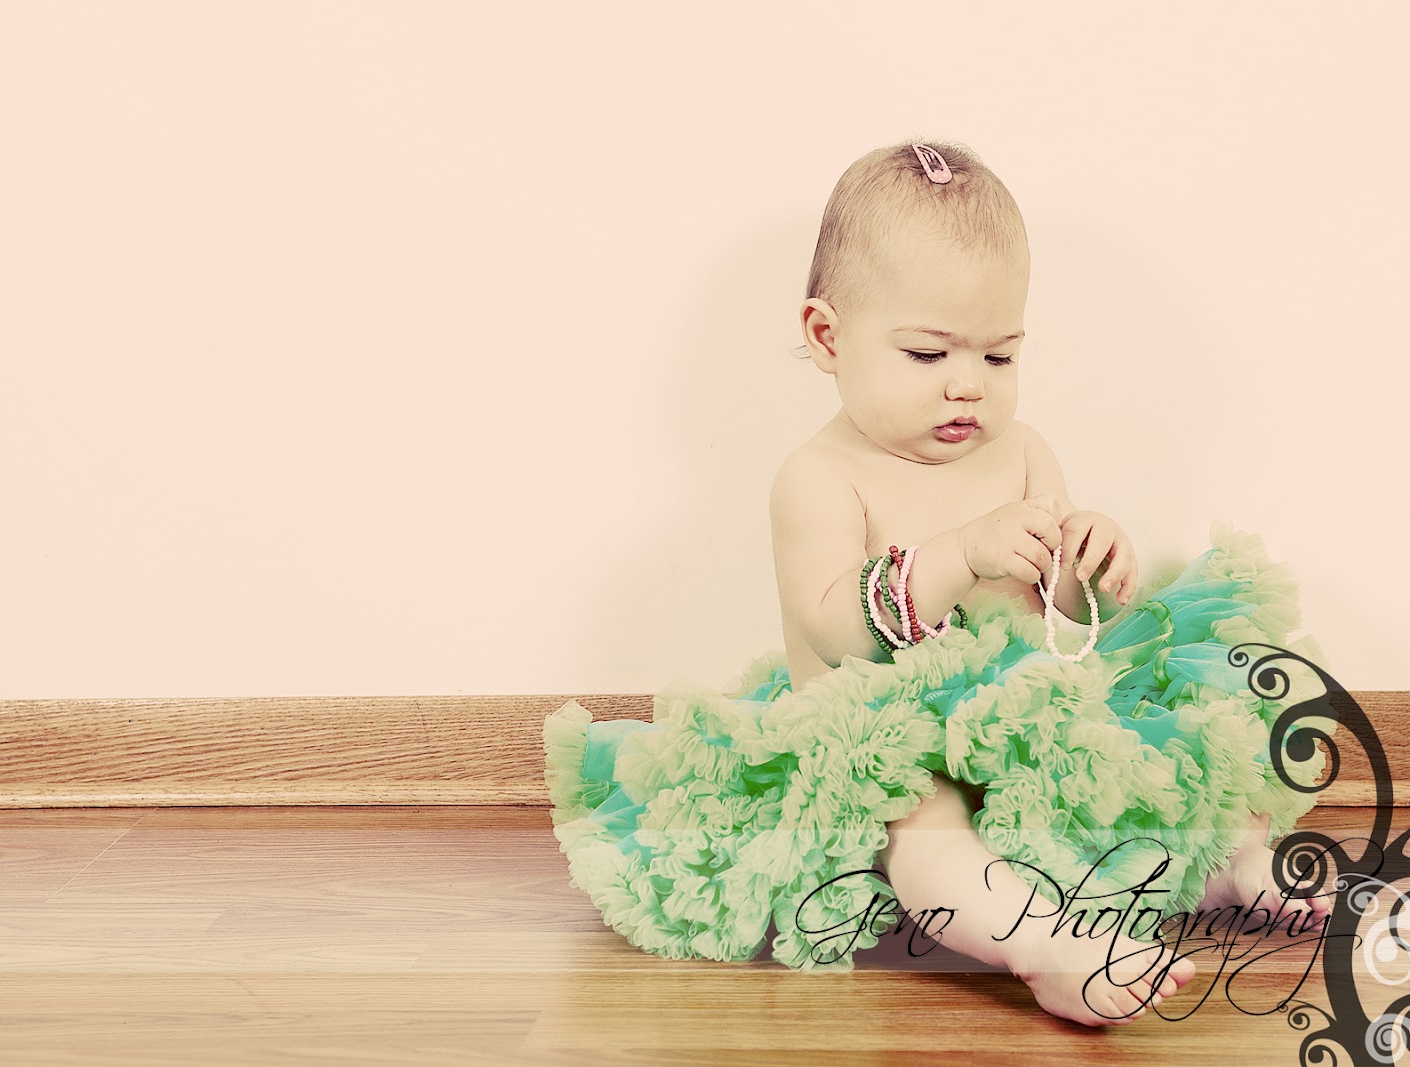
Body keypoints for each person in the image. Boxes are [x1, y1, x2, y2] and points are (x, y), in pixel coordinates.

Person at [544, 138, 1334, 1028]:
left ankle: (1226, 861)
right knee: (927, 834)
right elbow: (837, 628)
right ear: (827, 336)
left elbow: (1057, 609)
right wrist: (961, 550)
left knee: (1175, 736)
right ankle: (1043, 946)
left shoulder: (1024, 449)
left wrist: (1088, 565)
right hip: (885, 738)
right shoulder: (820, 477)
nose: (968, 386)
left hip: (1027, 720)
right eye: (928, 355)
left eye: (999, 357)